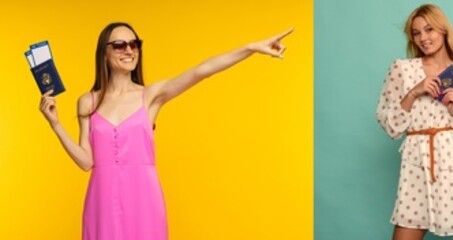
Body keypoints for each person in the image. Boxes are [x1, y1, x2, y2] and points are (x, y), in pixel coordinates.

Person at [37, 22, 290, 240]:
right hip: (101, 202)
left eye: (134, 44)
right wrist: (55, 124)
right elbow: (86, 161)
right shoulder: (87, 102)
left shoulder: (151, 96)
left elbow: (202, 71)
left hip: (144, 200)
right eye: (120, 45)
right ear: (104, 53)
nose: (129, 50)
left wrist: (251, 48)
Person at [375, 4, 453, 240]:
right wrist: (413, 93)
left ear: (443, 30)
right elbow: (390, 125)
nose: (423, 38)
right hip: (415, 163)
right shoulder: (402, 69)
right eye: (416, 33)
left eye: (429, 30)